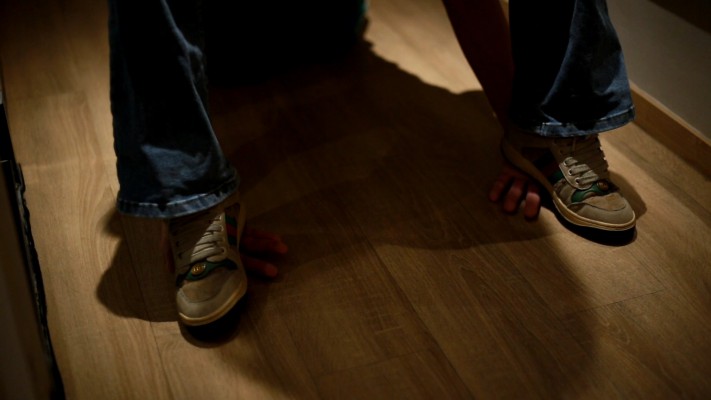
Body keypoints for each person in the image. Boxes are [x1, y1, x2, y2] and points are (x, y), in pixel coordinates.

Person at [108, 0, 636, 326]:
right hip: (224, 38)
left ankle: (553, 128)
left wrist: (528, 128)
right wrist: (185, 187)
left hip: (325, 21)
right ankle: (195, 204)